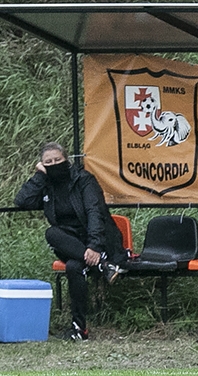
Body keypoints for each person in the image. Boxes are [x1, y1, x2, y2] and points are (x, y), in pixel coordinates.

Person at [15, 142, 128, 341]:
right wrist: (40, 176)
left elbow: (95, 213)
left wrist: (94, 246)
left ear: (66, 160)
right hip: (70, 244)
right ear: (41, 165)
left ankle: (79, 328)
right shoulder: (47, 184)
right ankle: (104, 268)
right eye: (48, 162)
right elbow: (22, 201)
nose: (53, 164)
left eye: (57, 160)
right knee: (52, 234)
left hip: (99, 242)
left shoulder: (83, 180)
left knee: (74, 267)